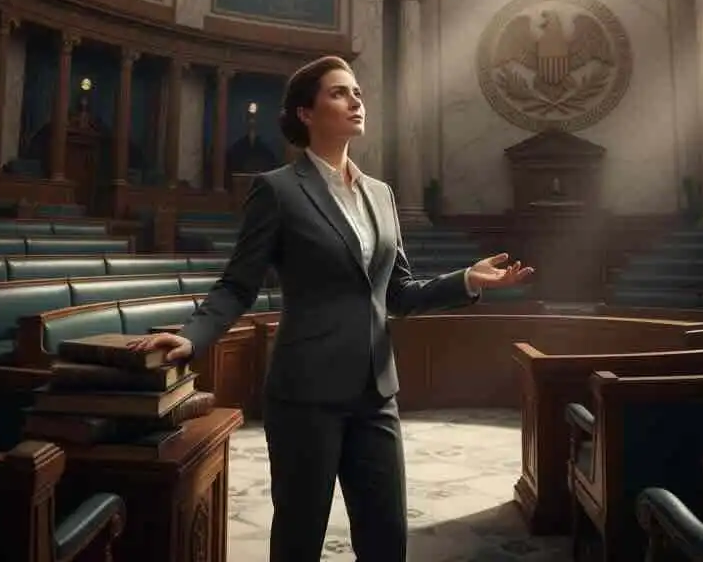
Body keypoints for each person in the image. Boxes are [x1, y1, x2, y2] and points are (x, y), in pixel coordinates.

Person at [130, 55, 533, 562]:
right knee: (300, 536)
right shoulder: (276, 190)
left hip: (376, 391)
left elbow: (398, 292)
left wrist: (465, 280)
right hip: (305, 394)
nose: (356, 100)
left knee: (386, 538)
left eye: (358, 92)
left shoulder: (382, 195)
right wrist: (192, 336)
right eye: (340, 92)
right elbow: (237, 284)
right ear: (305, 111)